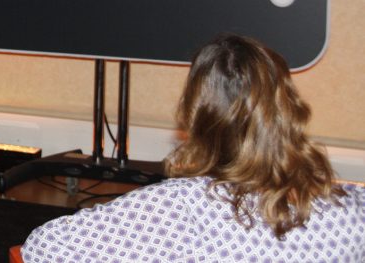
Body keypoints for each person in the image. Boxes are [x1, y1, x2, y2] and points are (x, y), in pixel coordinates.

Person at [22, 34, 365, 262]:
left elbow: (43, 249)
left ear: (198, 114)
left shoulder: (181, 208)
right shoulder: (352, 211)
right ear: (288, 107)